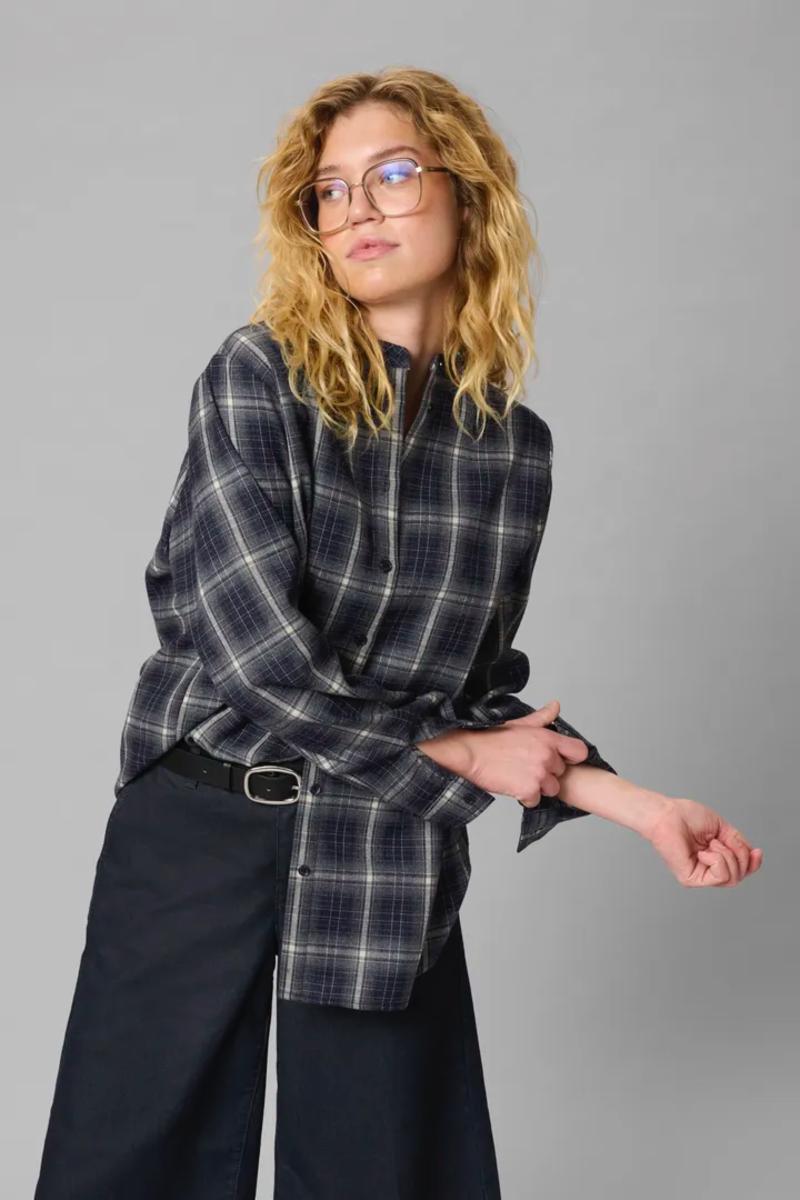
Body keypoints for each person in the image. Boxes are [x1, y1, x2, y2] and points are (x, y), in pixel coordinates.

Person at [33, 66, 763, 1200]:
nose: (357, 209)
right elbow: (258, 658)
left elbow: (476, 695)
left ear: (466, 195)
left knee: (387, 1173)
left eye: (391, 175)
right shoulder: (258, 378)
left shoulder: (511, 452)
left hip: (379, 843)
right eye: (329, 191)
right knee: (129, 1170)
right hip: (204, 823)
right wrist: (460, 752)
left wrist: (636, 805)